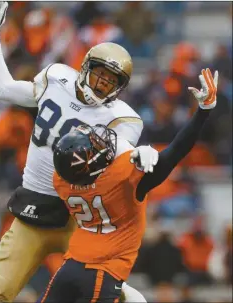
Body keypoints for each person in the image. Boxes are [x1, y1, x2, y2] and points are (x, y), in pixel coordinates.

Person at [0, 2, 157, 302]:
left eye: (111, 81)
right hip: (33, 209)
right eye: (100, 74)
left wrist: (142, 154)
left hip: (81, 218)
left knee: (98, 291)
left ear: (120, 88)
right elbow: (2, 89)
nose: (102, 84)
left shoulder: (124, 118)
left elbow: (121, 152)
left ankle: (126, 295)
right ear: (86, 67)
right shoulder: (56, 76)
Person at [36, 67, 218, 302]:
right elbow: (175, 152)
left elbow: (84, 170)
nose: (104, 145)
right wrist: (203, 112)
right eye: (97, 147)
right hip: (103, 271)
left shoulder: (61, 179)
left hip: (70, 266)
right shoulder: (123, 177)